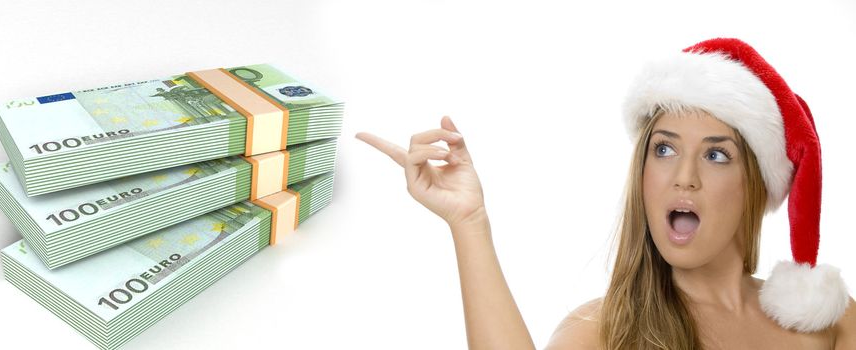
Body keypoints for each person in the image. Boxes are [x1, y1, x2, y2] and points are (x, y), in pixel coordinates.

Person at [356, 38, 855, 349]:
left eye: (716, 154)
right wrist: (469, 223)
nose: (684, 176)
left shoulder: (828, 324)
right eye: (663, 150)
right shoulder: (602, 332)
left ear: (756, 186)